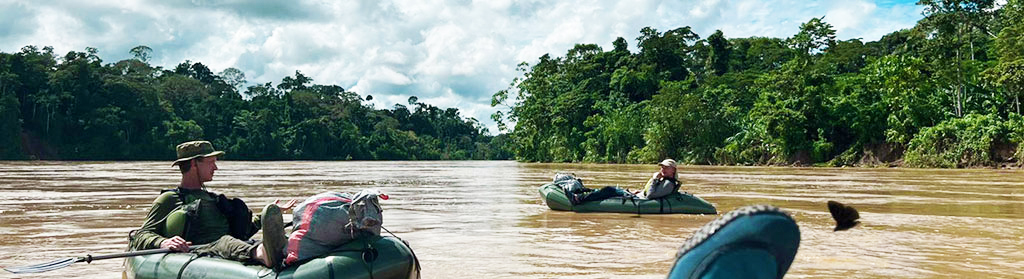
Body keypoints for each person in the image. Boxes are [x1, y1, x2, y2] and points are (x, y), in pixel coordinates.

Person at [129, 141, 295, 268]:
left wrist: (266, 217)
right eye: (211, 162)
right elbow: (141, 235)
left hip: (231, 247)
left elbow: (241, 232)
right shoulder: (170, 199)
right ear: (194, 164)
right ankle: (262, 254)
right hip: (201, 250)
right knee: (225, 242)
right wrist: (163, 242)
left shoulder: (214, 199)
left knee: (233, 242)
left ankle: (285, 251)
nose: (215, 167)